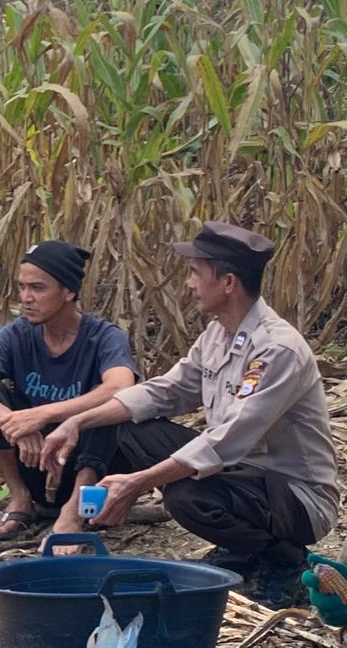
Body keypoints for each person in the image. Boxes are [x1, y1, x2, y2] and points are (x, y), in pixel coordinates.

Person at [44, 222, 338, 608]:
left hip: (294, 496)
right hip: (242, 478)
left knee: (186, 496)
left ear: (228, 283)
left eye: (196, 273)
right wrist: (77, 421)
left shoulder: (277, 350)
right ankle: (242, 548)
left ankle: (283, 558)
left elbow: (226, 440)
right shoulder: (218, 333)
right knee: (127, 426)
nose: (188, 284)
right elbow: (165, 391)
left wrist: (137, 482)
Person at [0, 240, 137, 541]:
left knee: (111, 404)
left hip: (90, 467)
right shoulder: (18, 333)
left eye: (38, 288)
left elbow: (121, 386)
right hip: (33, 458)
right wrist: (13, 422)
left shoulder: (104, 337)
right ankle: (20, 497)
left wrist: (42, 415)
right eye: (22, 287)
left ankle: (73, 512)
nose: (26, 297)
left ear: (68, 292)